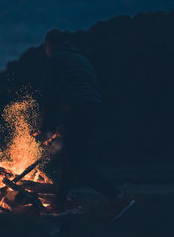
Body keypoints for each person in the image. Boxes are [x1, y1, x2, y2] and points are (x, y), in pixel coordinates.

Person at [41, 29, 134, 221]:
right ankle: (60, 204)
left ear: (49, 45)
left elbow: (51, 95)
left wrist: (45, 127)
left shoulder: (55, 59)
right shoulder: (81, 59)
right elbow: (81, 89)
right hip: (93, 109)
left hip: (80, 109)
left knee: (74, 163)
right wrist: (65, 122)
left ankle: (117, 197)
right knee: (71, 160)